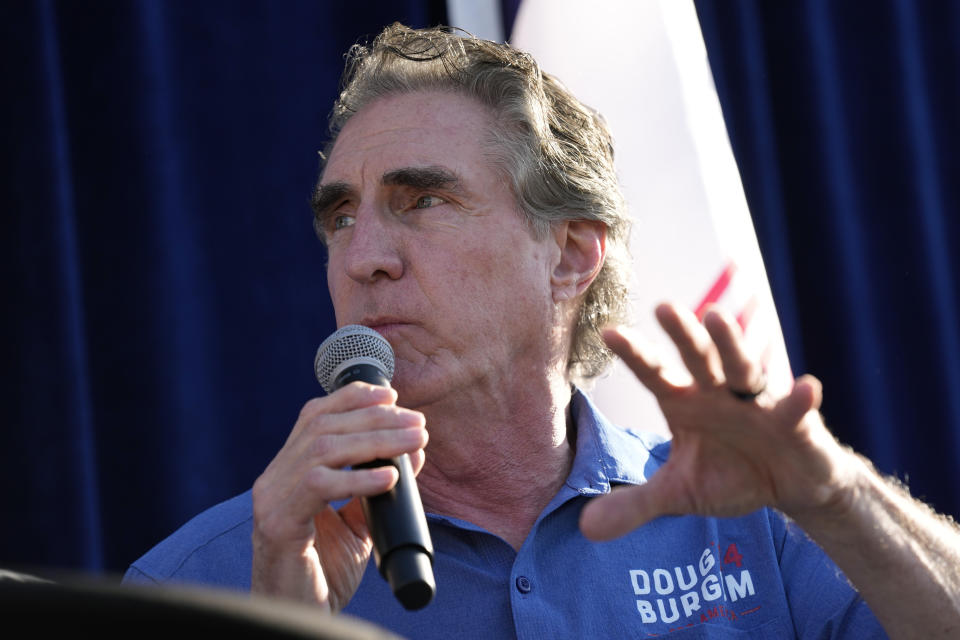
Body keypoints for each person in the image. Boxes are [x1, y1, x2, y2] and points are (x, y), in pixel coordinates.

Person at [125, 23, 960, 638]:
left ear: (569, 253)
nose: (363, 258)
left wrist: (836, 497)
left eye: (424, 201)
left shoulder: (747, 509)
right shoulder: (202, 579)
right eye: (340, 217)